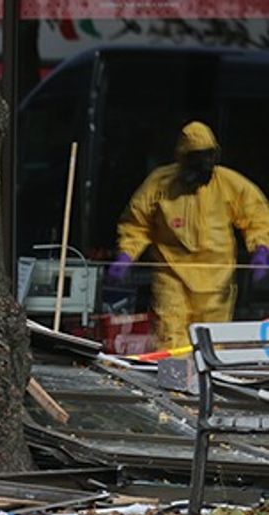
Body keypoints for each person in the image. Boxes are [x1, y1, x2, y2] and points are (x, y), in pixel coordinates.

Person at [109, 121, 269, 349]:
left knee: (211, 344)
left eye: (207, 160)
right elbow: (136, 222)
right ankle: (174, 385)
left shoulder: (228, 184)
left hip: (216, 281)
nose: (202, 168)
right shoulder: (160, 183)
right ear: (182, 159)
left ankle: (206, 385)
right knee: (171, 338)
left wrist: (261, 248)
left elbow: (257, 216)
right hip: (172, 276)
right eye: (195, 161)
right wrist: (126, 254)